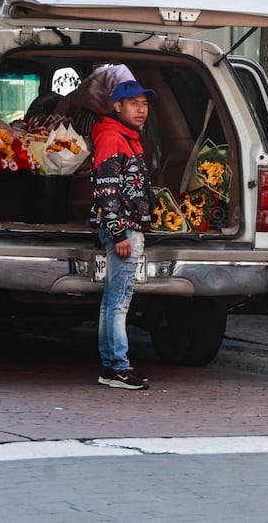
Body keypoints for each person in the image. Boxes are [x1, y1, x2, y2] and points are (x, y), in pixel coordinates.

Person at [89, 79, 156, 389]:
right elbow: (107, 190)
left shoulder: (126, 138)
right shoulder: (112, 139)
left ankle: (109, 366)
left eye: (143, 103)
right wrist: (119, 235)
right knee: (120, 302)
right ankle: (119, 366)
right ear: (117, 106)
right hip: (124, 228)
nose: (140, 109)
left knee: (110, 300)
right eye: (133, 103)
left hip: (126, 226)